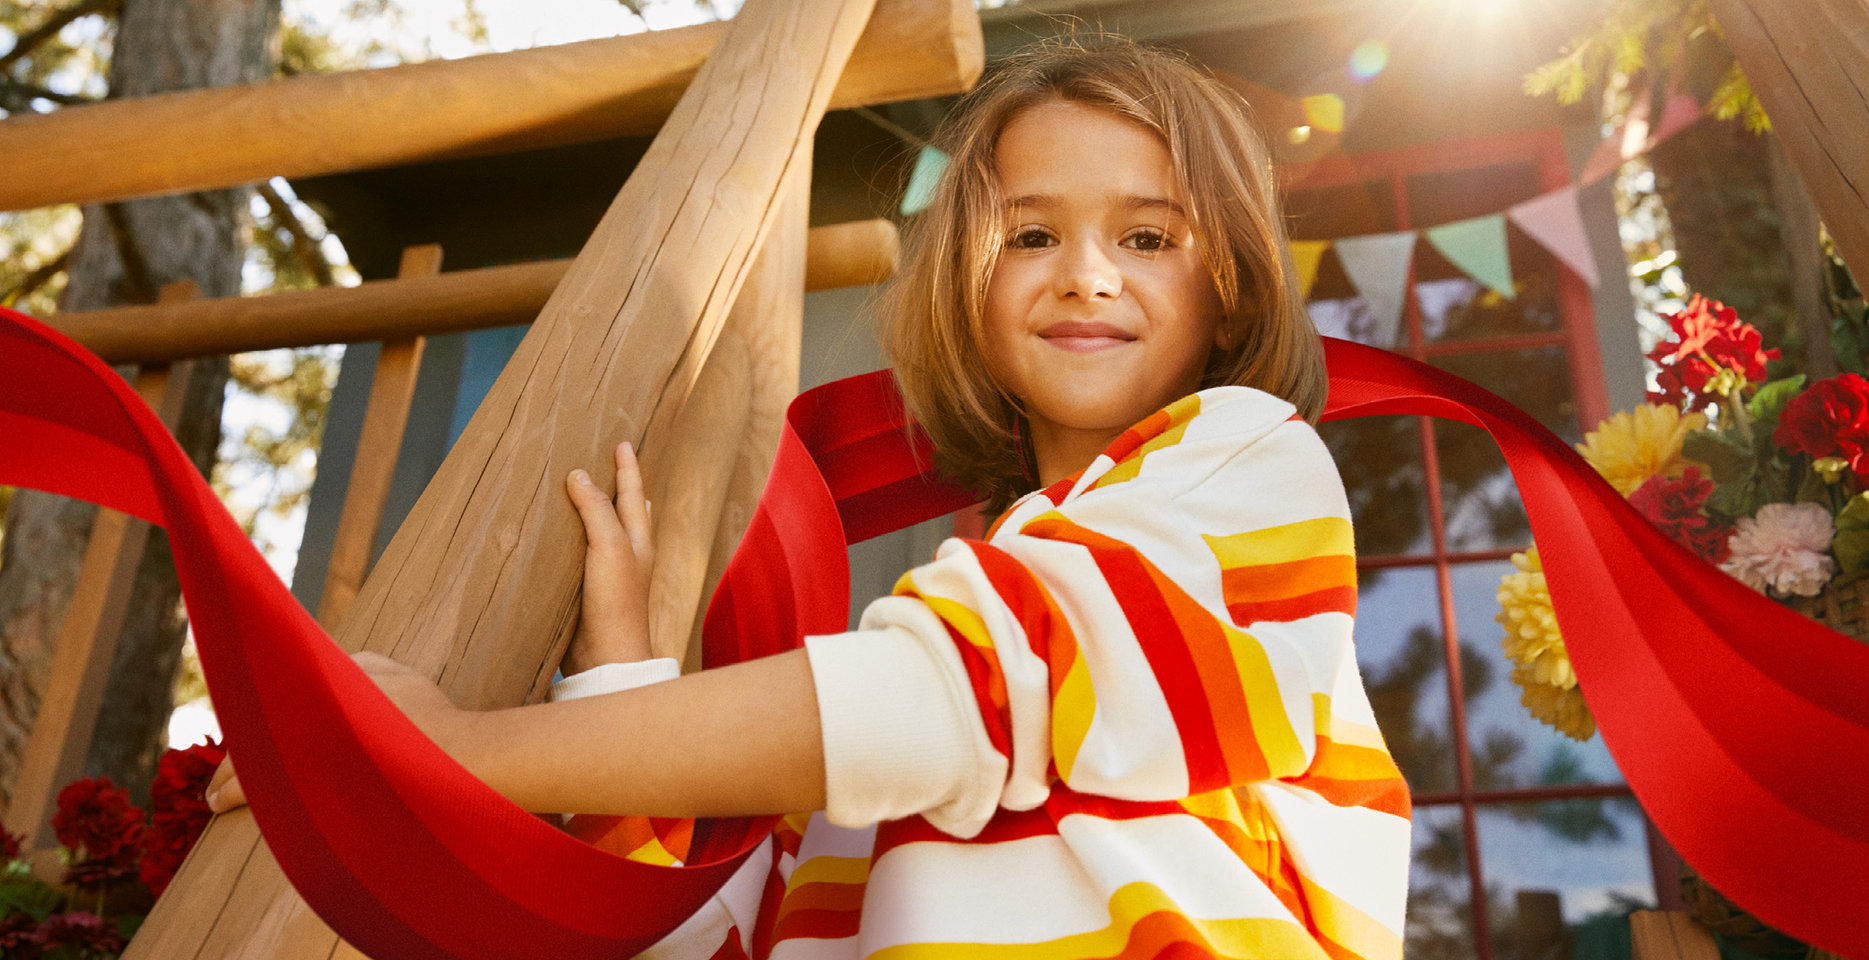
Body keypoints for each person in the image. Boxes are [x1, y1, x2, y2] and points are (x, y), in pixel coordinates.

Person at [209, 37, 1411, 960]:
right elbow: (727, 930)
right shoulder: (954, 618)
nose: (1086, 274)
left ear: (1238, 294)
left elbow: (959, 702)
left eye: (1149, 238)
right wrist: (622, 669)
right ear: (969, 288)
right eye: (1032, 233)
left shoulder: (1243, 464)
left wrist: (460, 753)